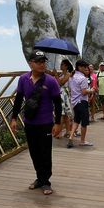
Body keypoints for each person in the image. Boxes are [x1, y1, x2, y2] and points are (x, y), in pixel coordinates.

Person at [10, 50, 62, 195]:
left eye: (43, 61)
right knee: (34, 152)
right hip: (30, 122)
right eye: (38, 62)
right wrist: (14, 118)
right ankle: (39, 178)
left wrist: (58, 123)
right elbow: (19, 99)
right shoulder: (23, 79)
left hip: (45, 122)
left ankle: (46, 181)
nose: (42, 64)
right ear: (30, 63)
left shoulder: (51, 81)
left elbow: (58, 103)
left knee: (45, 152)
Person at [67, 60, 95, 148]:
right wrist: (91, 90)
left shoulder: (72, 76)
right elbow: (83, 92)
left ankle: (71, 137)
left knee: (76, 120)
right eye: (84, 67)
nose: (86, 69)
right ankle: (82, 141)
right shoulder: (83, 78)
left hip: (74, 102)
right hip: (82, 102)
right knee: (84, 122)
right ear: (79, 67)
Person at [55, 58, 74, 139]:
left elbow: (61, 83)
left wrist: (55, 75)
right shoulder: (61, 74)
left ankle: (60, 133)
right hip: (62, 94)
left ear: (66, 66)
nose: (61, 65)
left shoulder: (68, 74)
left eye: (62, 64)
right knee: (64, 114)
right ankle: (67, 131)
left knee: (63, 114)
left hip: (65, 95)